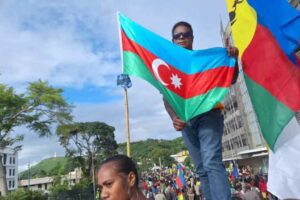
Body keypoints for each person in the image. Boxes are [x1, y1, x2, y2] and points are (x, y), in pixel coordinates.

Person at [163, 21, 239, 200]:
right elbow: (166, 97)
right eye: (177, 35)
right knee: (201, 169)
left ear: (192, 38)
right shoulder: (169, 67)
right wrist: (174, 117)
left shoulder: (207, 61)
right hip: (186, 122)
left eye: (185, 34)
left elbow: (232, 79)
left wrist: (233, 60)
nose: (181, 37)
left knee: (211, 162)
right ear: (172, 40)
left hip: (208, 115)